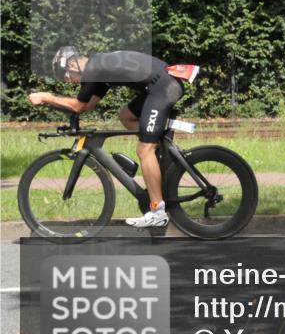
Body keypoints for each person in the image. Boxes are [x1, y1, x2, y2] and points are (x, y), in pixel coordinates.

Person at [28, 47, 185, 227]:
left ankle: (158, 212)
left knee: (144, 150)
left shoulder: (93, 70)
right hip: (161, 83)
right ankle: (159, 153)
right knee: (126, 116)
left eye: (66, 76)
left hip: (163, 87)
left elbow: (78, 106)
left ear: (72, 64)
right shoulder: (100, 71)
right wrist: (55, 105)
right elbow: (86, 106)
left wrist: (46, 97)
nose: (68, 81)